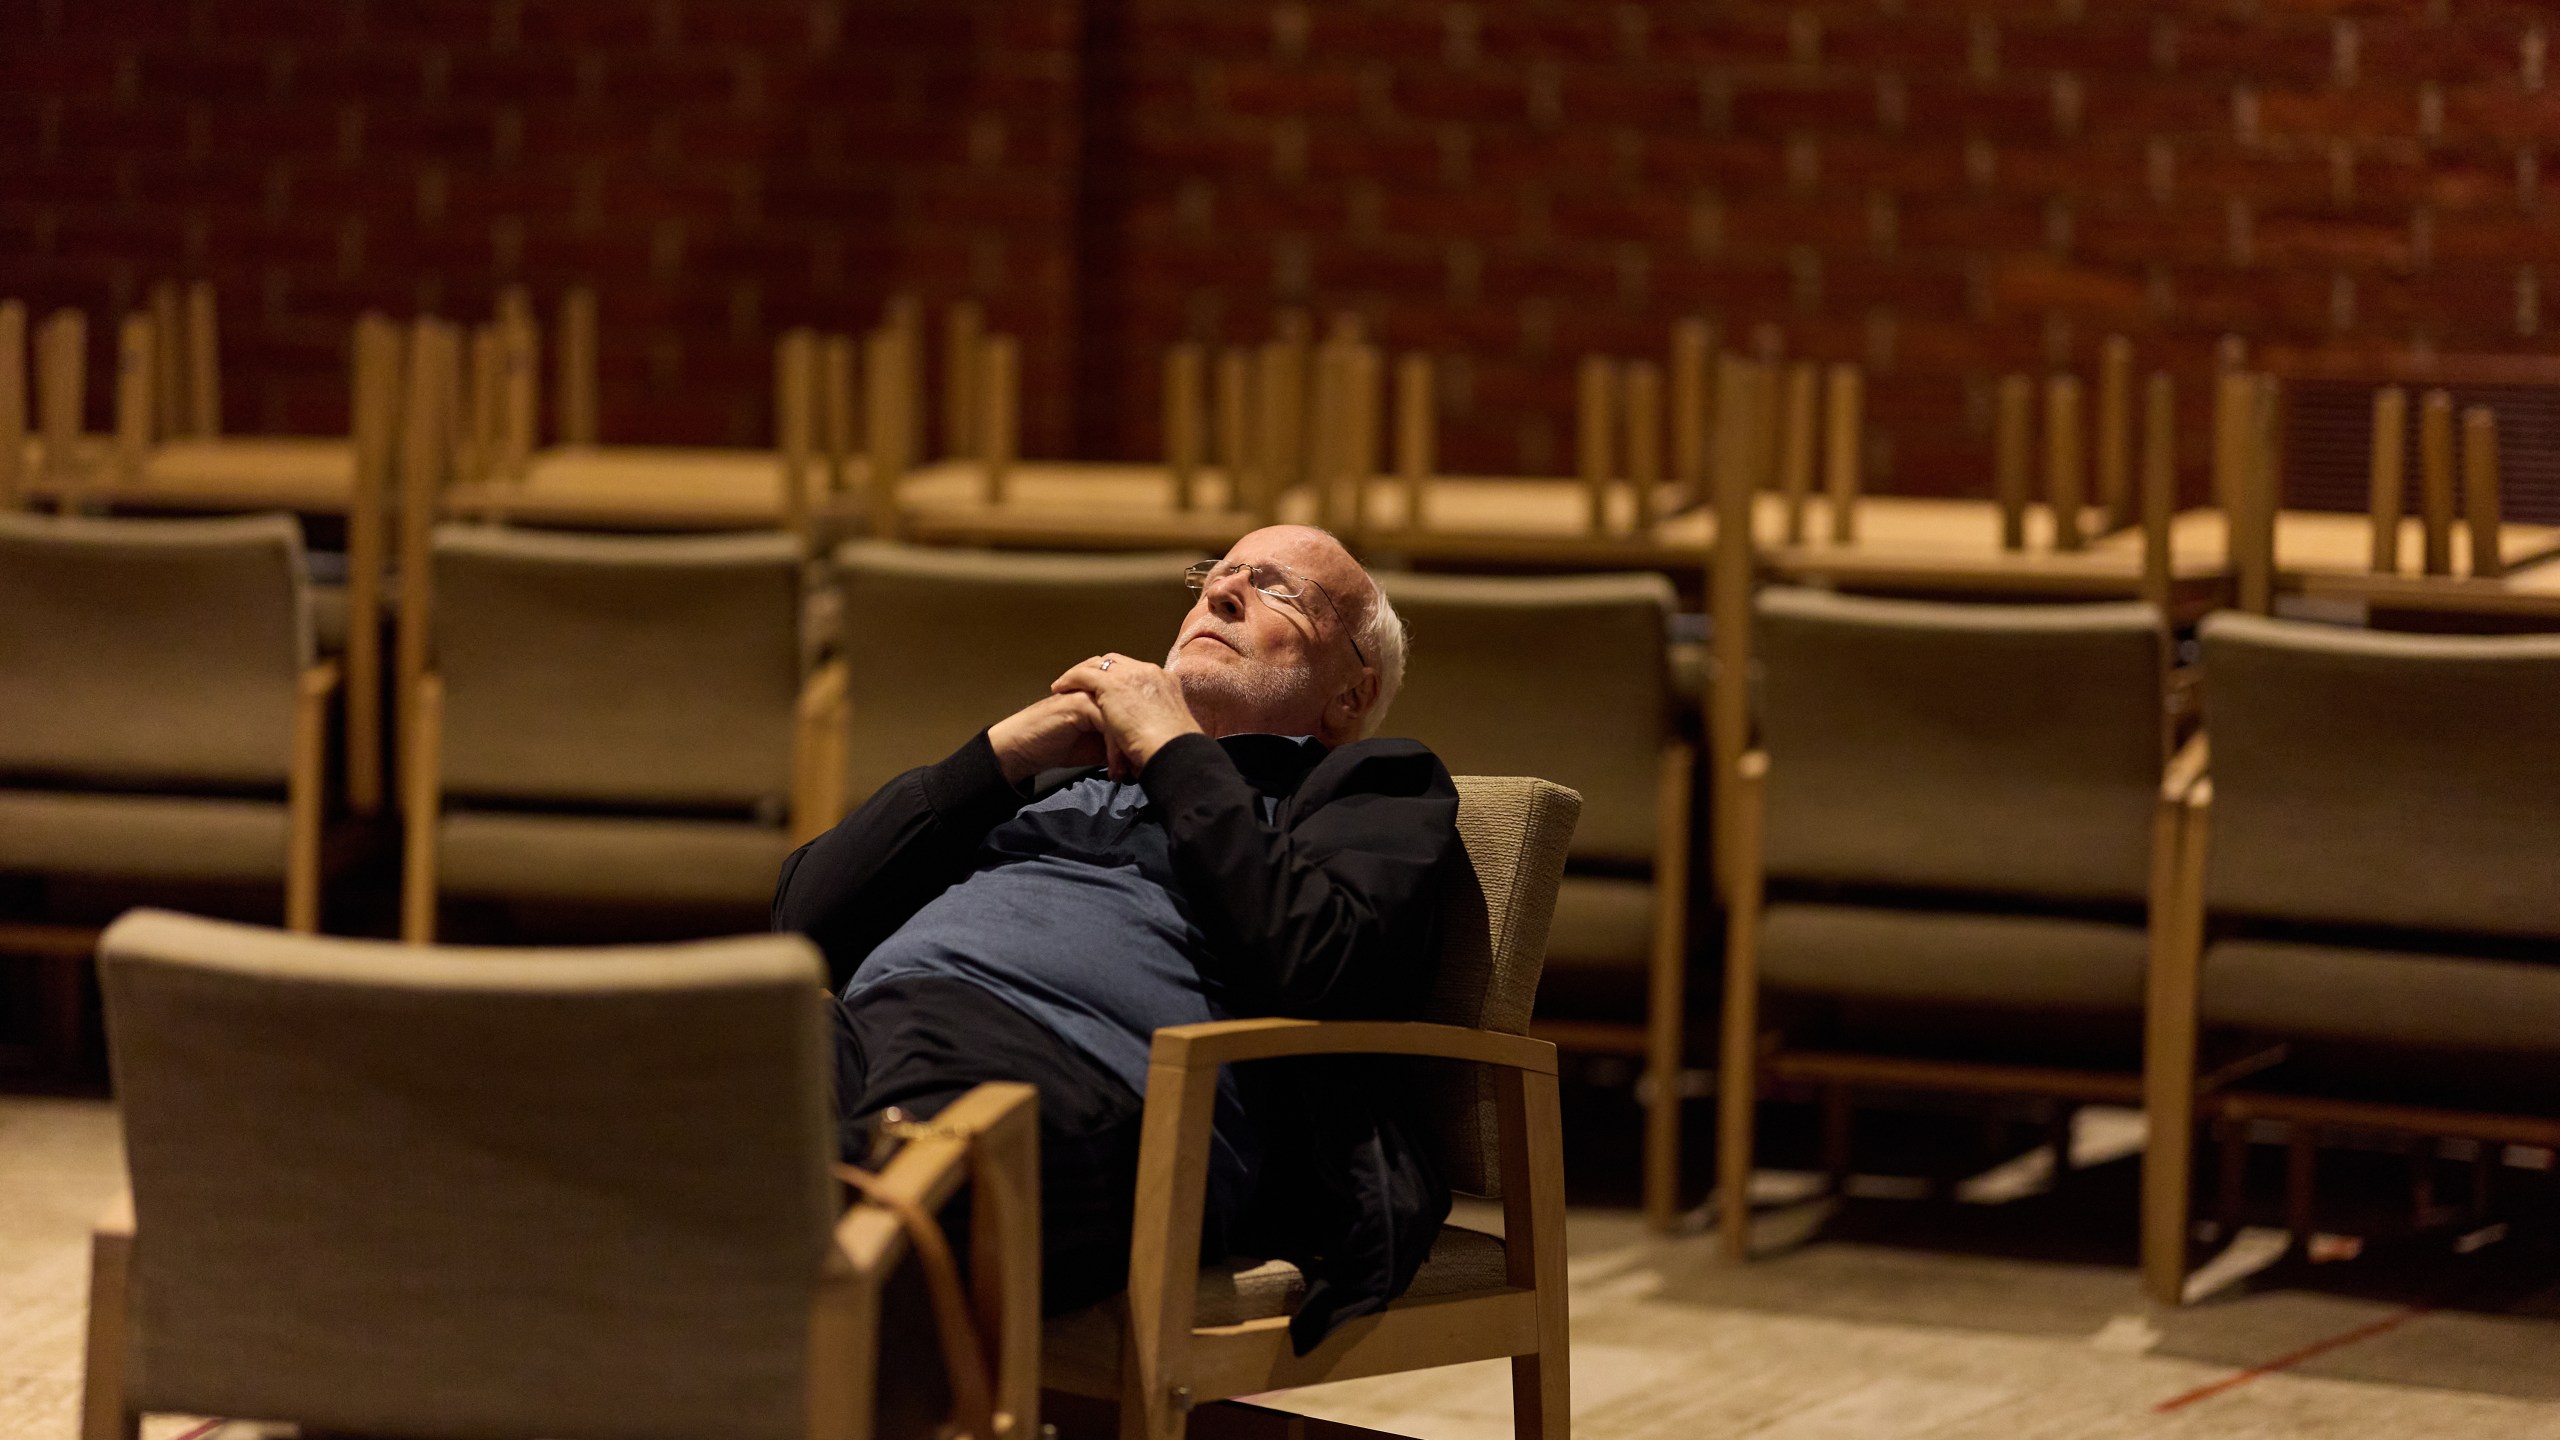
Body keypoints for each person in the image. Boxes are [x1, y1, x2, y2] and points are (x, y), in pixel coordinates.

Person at [773, 525, 1460, 1350]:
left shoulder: (1368, 788)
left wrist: (1174, 750)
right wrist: (993, 759)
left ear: (1350, 695)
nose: (1221, 592)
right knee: (658, 1125)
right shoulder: (1064, 772)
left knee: (828, 1208)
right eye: (1218, 573)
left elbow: (1320, 960)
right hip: (859, 1032)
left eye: (1279, 589)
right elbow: (801, 922)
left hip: (1075, 1078)